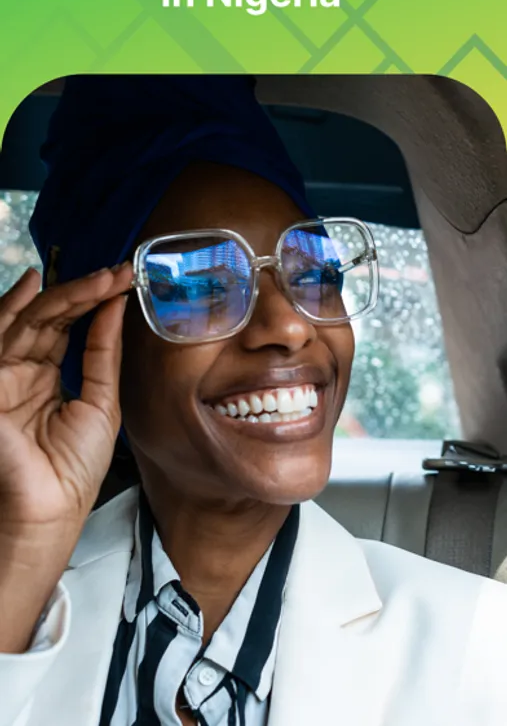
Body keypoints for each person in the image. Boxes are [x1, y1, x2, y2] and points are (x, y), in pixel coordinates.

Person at [0, 76, 506, 726]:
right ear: (91, 341)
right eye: (199, 285)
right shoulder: (17, 611)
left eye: (314, 272)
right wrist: (25, 548)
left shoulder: (479, 650)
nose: (291, 325)